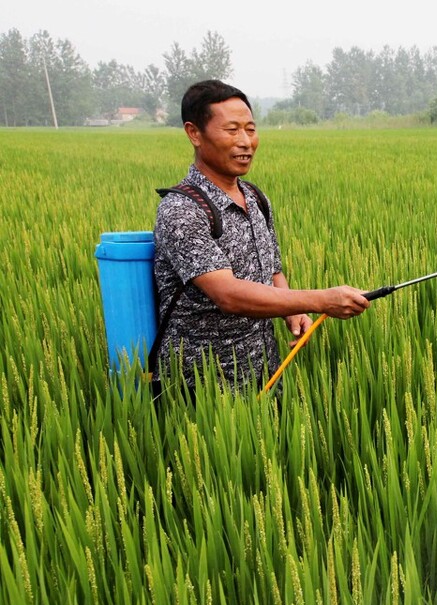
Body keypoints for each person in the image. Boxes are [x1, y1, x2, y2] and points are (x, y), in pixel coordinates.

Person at [153, 79, 369, 394]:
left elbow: (272, 269)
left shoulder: (254, 197)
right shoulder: (182, 211)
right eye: (231, 130)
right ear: (194, 133)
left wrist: (293, 309)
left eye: (251, 130)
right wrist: (321, 300)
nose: (245, 142)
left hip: (264, 371)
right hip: (202, 388)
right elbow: (227, 294)